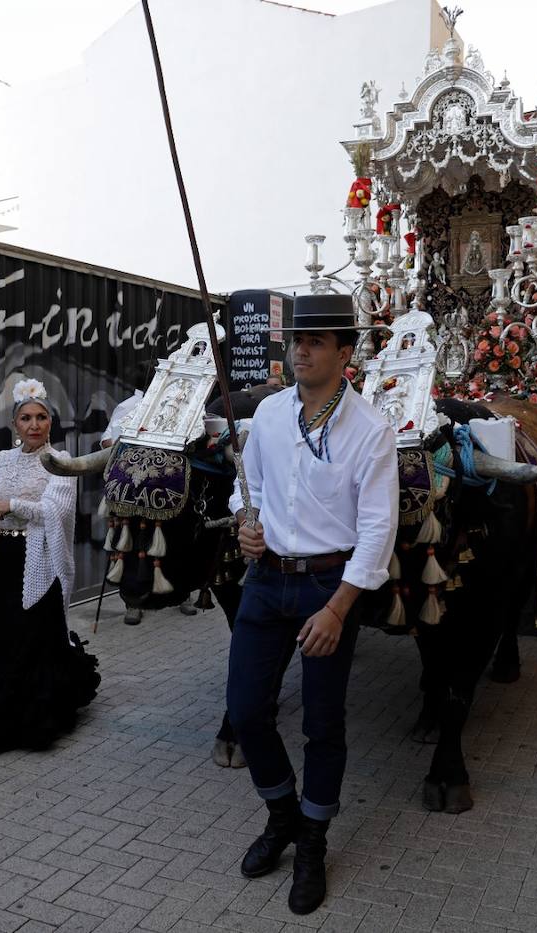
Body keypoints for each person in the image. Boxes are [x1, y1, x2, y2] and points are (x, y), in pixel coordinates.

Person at [227, 293, 398, 915]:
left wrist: (338, 608)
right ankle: (282, 817)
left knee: (322, 725)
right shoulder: (268, 416)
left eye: (316, 341)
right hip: (266, 583)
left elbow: (378, 528)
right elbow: (253, 491)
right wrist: (246, 523)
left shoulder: (372, 430)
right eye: (296, 340)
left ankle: (313, 844)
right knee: (246, 712)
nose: (300, 349)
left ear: (344, 353)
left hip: (328, 589)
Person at [0, 377, 100, 750]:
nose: (34, 425)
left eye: (41, 417)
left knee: (38, 637)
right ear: (15, 425)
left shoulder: (61, 463)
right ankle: (6, 719)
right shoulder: (2, 459)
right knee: (8, 637)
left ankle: (40, 720)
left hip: (40, 560)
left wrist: (12, 506)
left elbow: (55, 511)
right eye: (26, 418)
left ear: (50, 424)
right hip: (3, 562)